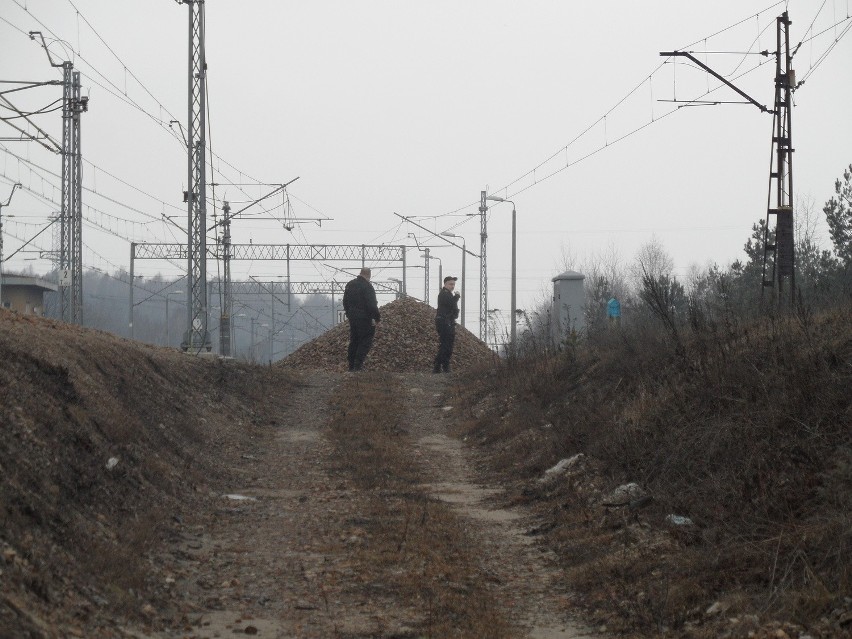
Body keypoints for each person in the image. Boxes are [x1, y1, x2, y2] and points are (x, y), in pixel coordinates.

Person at [343, 267, 381, 371]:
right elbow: (372, 304)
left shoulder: (350, 285)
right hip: (365, 318)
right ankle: (357, 366)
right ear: (368, 275)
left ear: (360, 273)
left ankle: (351, 366)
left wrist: (349, 313)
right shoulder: (367, 287)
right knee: (365, 340)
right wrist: (377, 317)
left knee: (354, 340)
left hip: (353, 318)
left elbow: (345, 302)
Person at [433, 276, 460, 373]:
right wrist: (457, 297)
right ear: (445, 284)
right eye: (450, 284)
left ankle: (444, 365)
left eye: (453, 284)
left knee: (449, 344)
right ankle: (439, 365)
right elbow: (451, 303)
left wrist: (455, 312)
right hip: (443, 322)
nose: (452, 286)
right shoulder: (443, 294)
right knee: (445, 344)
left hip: (450, 322)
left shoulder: (450, 296)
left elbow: (455, 311)